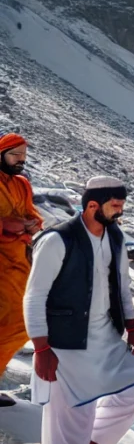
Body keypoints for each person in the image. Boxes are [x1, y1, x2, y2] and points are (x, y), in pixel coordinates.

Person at [24, 177, 134, 444]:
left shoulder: (116, 237)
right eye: (115, 206)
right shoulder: (57, 240)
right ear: (92, 205)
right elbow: (34, 296)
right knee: (73, 414)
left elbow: (122, 287)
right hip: (66, 344)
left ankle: (94, 441)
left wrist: (133, 329)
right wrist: (42, 348)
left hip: (106, 337)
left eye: (122, 205)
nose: (120, 211)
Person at [0, 134, 42, 374]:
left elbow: (31, 213)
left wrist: (33, 223)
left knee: (21, 323)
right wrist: (6, 225)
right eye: (15, 154)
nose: (20, 160)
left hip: (20, 264)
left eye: (24, 156)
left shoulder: (21, 184)